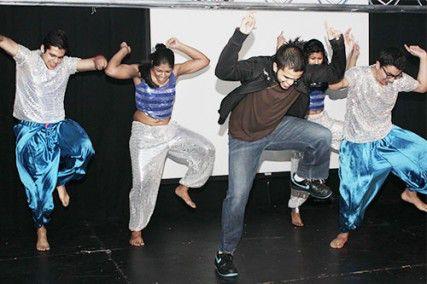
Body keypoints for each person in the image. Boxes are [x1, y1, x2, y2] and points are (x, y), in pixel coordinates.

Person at [214, 13, 346, 278]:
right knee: (237, 198)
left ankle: (304, 178)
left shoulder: (302, 73)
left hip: (276, 129)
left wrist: (337, 43)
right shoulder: (258, 67)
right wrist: (240, 35)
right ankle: (224, 253)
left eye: (294, 80)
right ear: (275, 66)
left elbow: (334, 73)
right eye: (285, 78)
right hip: (244, 139)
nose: (289, 84)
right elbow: (223, 70)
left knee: (320, 135)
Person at [0, 30, 107, 251]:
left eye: (60, 57)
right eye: (51, 56)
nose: (55, 62)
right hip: (31, 130)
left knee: (85, 149)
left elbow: (92, 62)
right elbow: (4, 41)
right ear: (42, 49)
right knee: (39, 188)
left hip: (58, 125)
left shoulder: (66, 64)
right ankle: (41, 231)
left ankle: (59, 180)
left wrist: (99, 61)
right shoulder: (26, 57)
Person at [105, 38, 215, 247]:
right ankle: (136, 230)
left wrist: (180, 46)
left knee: (205, 149)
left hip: (168, 131)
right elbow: (111, 71)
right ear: (152, 66)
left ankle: (184, 186)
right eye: (159, 72)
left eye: (167, 72)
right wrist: (123, 51)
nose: (163, 76)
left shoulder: (175, 72)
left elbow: (204, 60)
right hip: (143, 136)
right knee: (142, 185)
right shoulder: (140, 72)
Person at [329, 44, 427, 249]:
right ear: (377, 64)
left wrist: (424, 57)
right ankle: (345, 231)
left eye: (396, 76)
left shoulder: (397, 80)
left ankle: (410, 192)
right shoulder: (360, 75)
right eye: (388, 74)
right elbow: (335, 85)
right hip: (358, 144)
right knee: (352, 194)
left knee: (422, 155)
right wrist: (339, 49)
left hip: (387, 137)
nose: (391, 80)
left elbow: (422, 86)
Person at [276, 29, 360, 227]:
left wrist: (351, 55)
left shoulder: (324, 74)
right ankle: (295, 207)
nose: (315, 62)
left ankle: (353, 183)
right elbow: (281, 69)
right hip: (302, 124)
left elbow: (341, 82)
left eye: (319, 58)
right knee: (300, 168)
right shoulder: (299, 74)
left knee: (351, 136)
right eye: (312, 58)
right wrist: (279, 46)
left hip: (322, 120)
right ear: (305, 58)